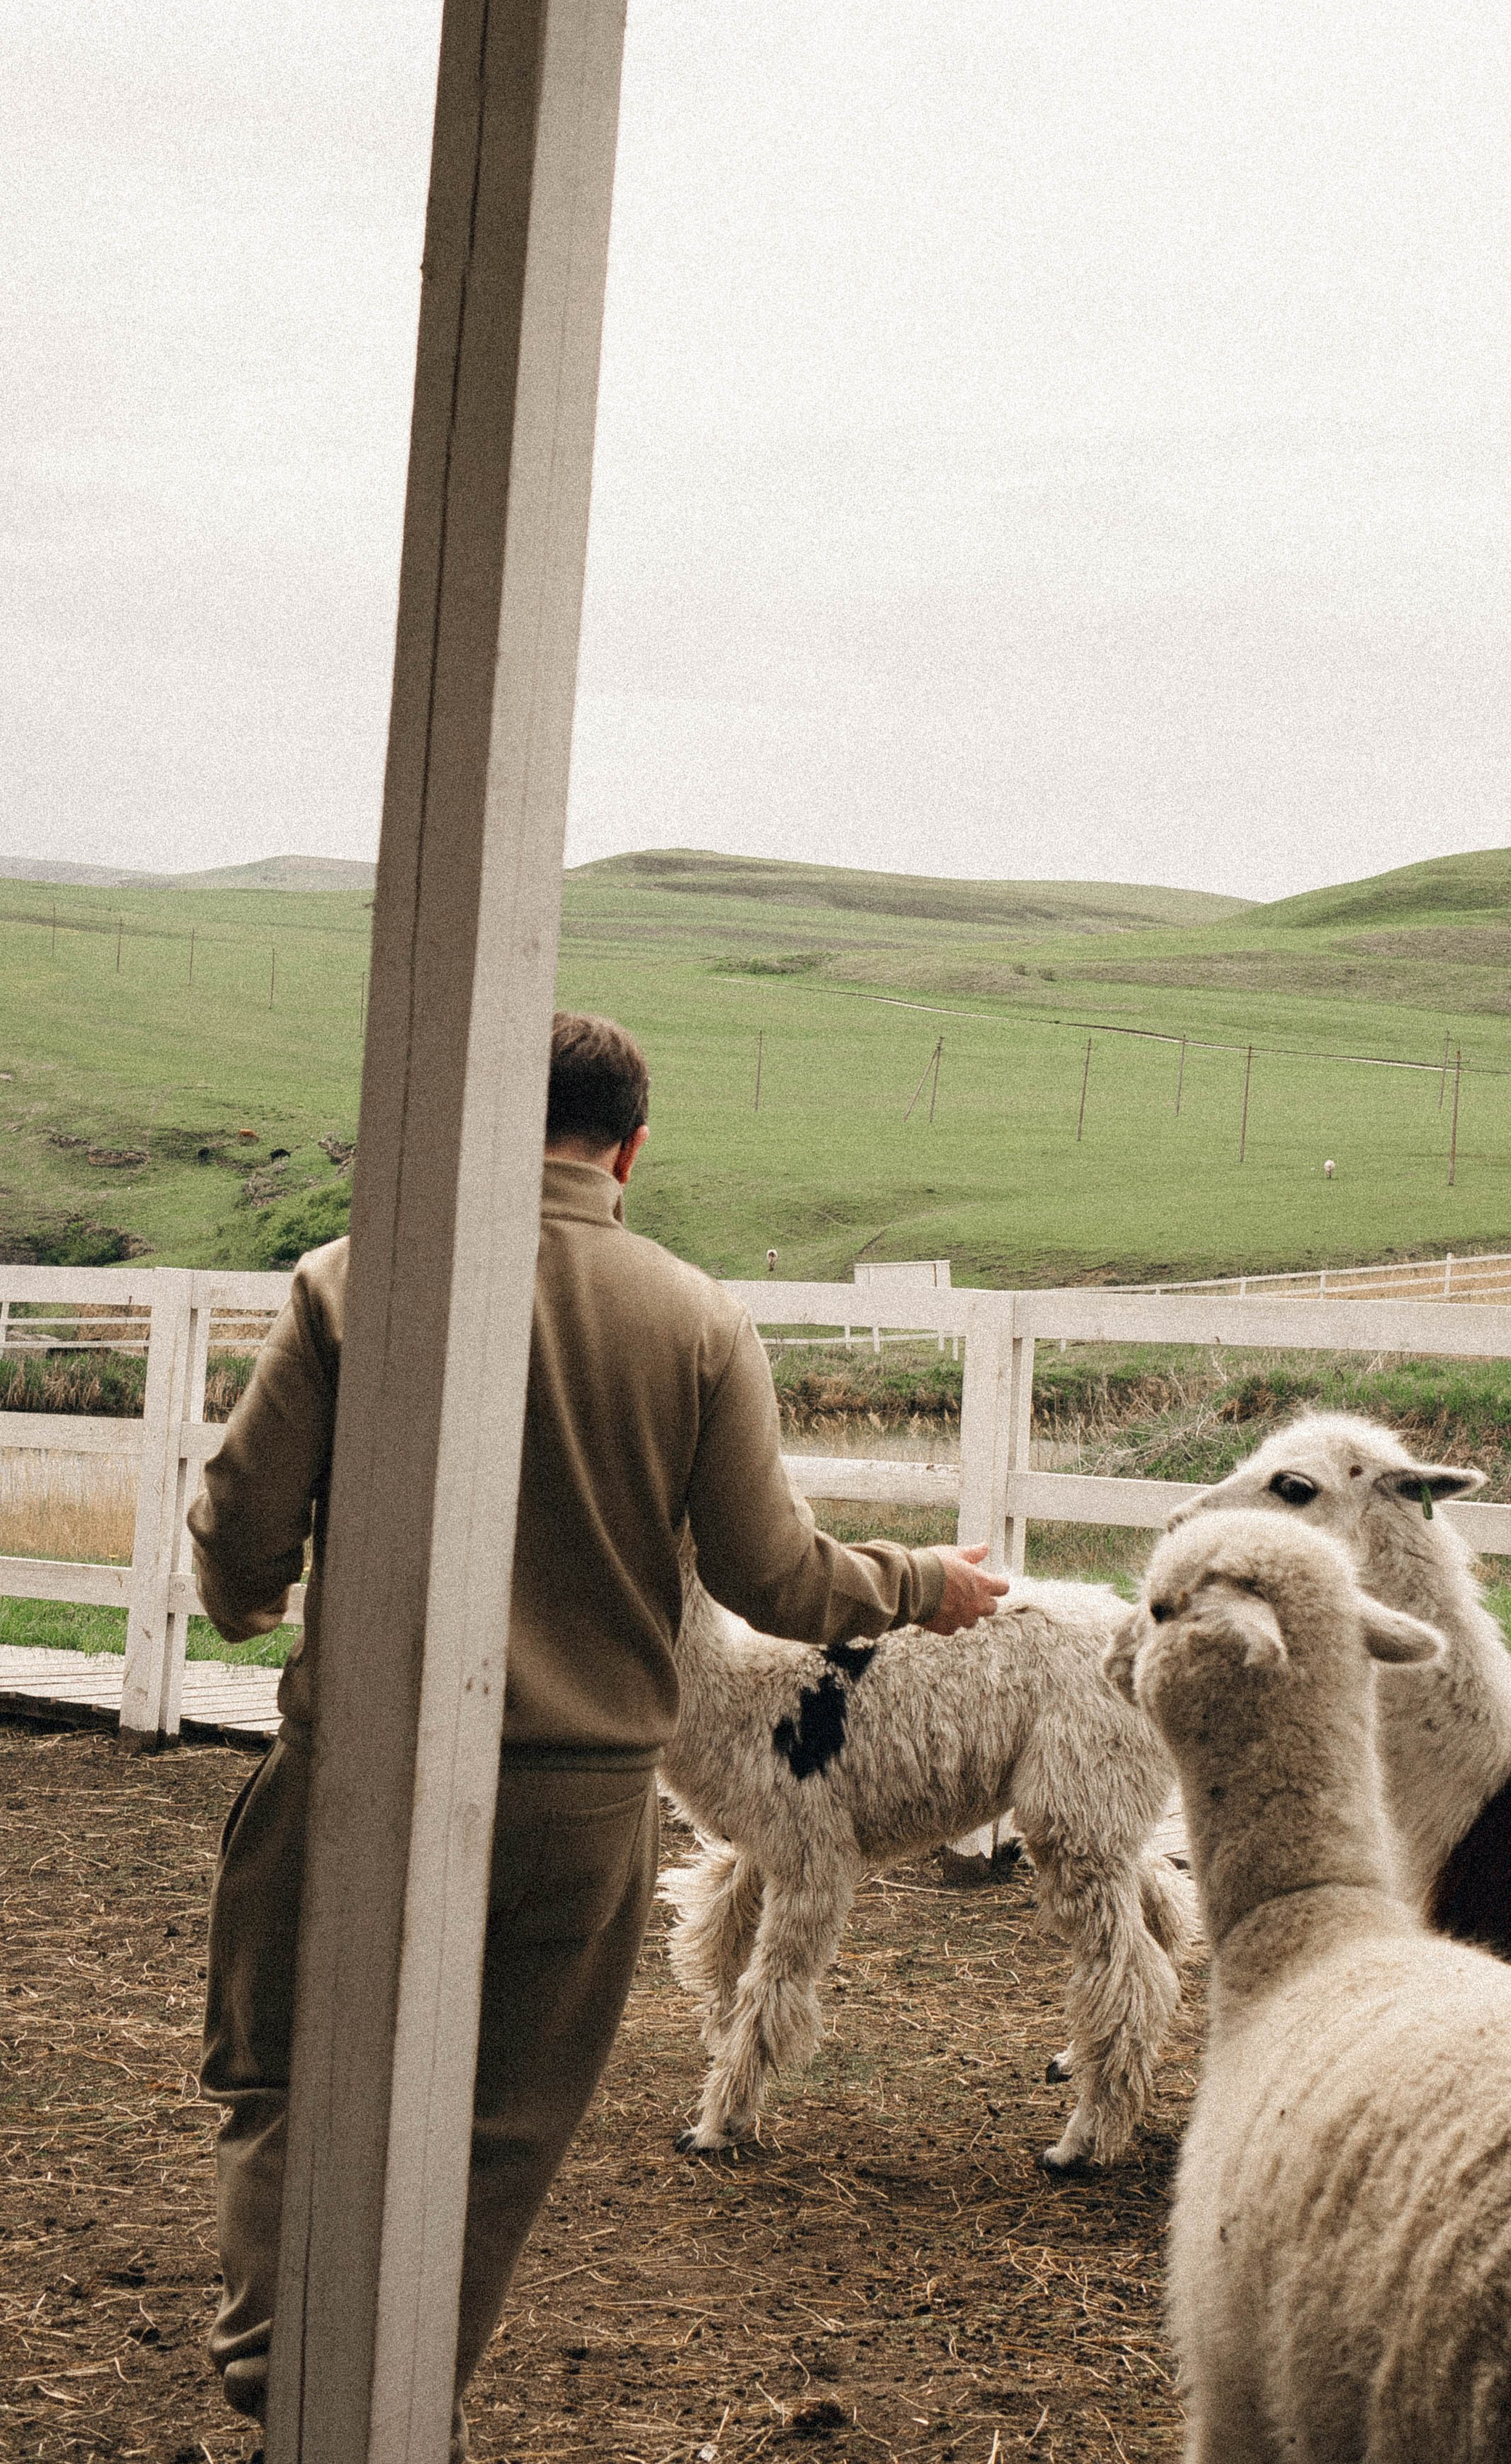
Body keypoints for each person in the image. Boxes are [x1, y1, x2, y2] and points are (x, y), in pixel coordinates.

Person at [190, 1011, 1006, 2450]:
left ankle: (278, 2383)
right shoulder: (695, 1318)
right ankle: (395, 2410)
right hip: (576, 1808)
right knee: (498, 2134)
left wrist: (245, 1593)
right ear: (632, 1146)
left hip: (349, 1773)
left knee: (281, 2077)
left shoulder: (348, 1280)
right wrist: (924, 1585)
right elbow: (776, 1578)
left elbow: (247, 1526)